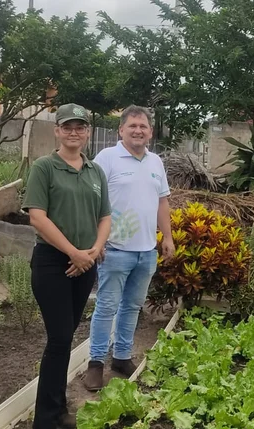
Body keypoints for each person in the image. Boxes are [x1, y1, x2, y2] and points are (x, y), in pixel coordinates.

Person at [23, 103, 112, 429]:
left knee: (65, 338)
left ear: (87, 132)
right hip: (52, 263)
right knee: (60, 339)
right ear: (57, 131)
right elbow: (37, 217)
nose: (74, 132)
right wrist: (73, 252)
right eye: (67, 126)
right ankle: (48, 419)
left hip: (86, 261)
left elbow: (105, 217)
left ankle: (56, 409)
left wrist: (93, 250)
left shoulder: (95, 172)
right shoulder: (44, 168)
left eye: (80, 126)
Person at [83, 105, 175, 391]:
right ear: (120, 130)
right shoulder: (106, 159)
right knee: (106, 307)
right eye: (132, 125)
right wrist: (95, 243)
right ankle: (95, 363)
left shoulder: (155, 162)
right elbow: (91, 202)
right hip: (114, 249)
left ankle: (121, 357)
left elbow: (162, 202)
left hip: (146, 251)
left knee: (133, 306)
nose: (138, 130)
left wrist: (167, 238)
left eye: (143, 126)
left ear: (150, 132)